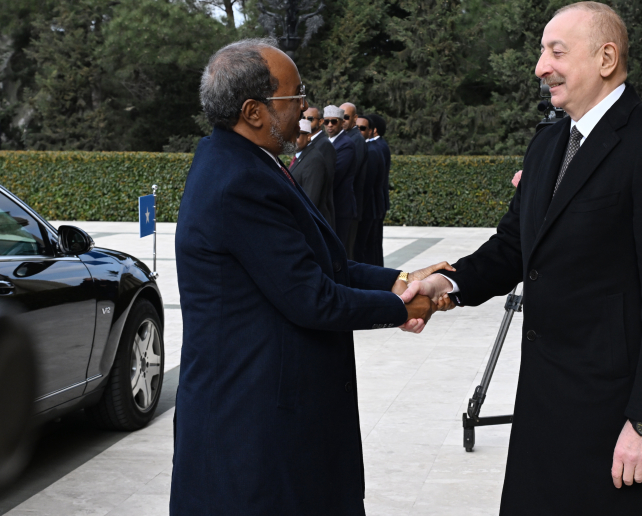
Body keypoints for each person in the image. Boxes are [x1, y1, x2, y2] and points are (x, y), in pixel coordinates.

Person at [417, 2, 642, 515]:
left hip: (614, 418)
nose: (540, 67)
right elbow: (514, 246)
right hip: (542, 405)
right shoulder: (548, 142)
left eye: (556, 52)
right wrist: (448, 285)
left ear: (606, 58)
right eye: (541, 52)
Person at [170, 38, 452, 515]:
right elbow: (311, 297)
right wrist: (405, 305)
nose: (306, 107)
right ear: (254, 111)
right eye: (295, 95)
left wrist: (400, 278)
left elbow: (325, 262)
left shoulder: (246, 160)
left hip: (271, 415)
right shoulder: (237, 181)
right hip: (254, 427)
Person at [289, 118, 336, 228]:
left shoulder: (314, 159)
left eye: (297, 135)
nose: (293, 139)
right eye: (291, 134)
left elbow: (310, 199)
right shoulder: (301, 155)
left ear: (309, 136)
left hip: (311, 225)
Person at [324, 105, 358, 246]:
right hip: (331, 207)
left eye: (334, 121)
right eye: (327, 121)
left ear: (341, 122)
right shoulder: (328, 142)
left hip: (341, 208)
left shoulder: (346, 144)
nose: (330, 125)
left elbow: (335, 175)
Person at [354, 116, 385, 265]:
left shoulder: (371, 151)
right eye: (357, 127)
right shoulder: (368, 149)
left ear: (371, 131)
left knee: (366, 250)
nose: (359, 131)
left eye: (363, 128)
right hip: (368, 208)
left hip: (367, 210)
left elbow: (368, 185)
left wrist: (359, 210)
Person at [340, 102, 366, 260]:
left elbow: (349, 173)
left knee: (348, 254)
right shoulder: (348, 138)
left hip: (349, 206)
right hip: (347, 205)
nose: (341, 120)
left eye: (346, 117)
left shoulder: (355, 140)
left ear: (355, 118)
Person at [367, 113, 391, 265]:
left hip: (375, 202)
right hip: (378, 201)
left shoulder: (376, 147)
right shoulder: (381, 145)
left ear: (373, 130)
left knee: (373, 243)